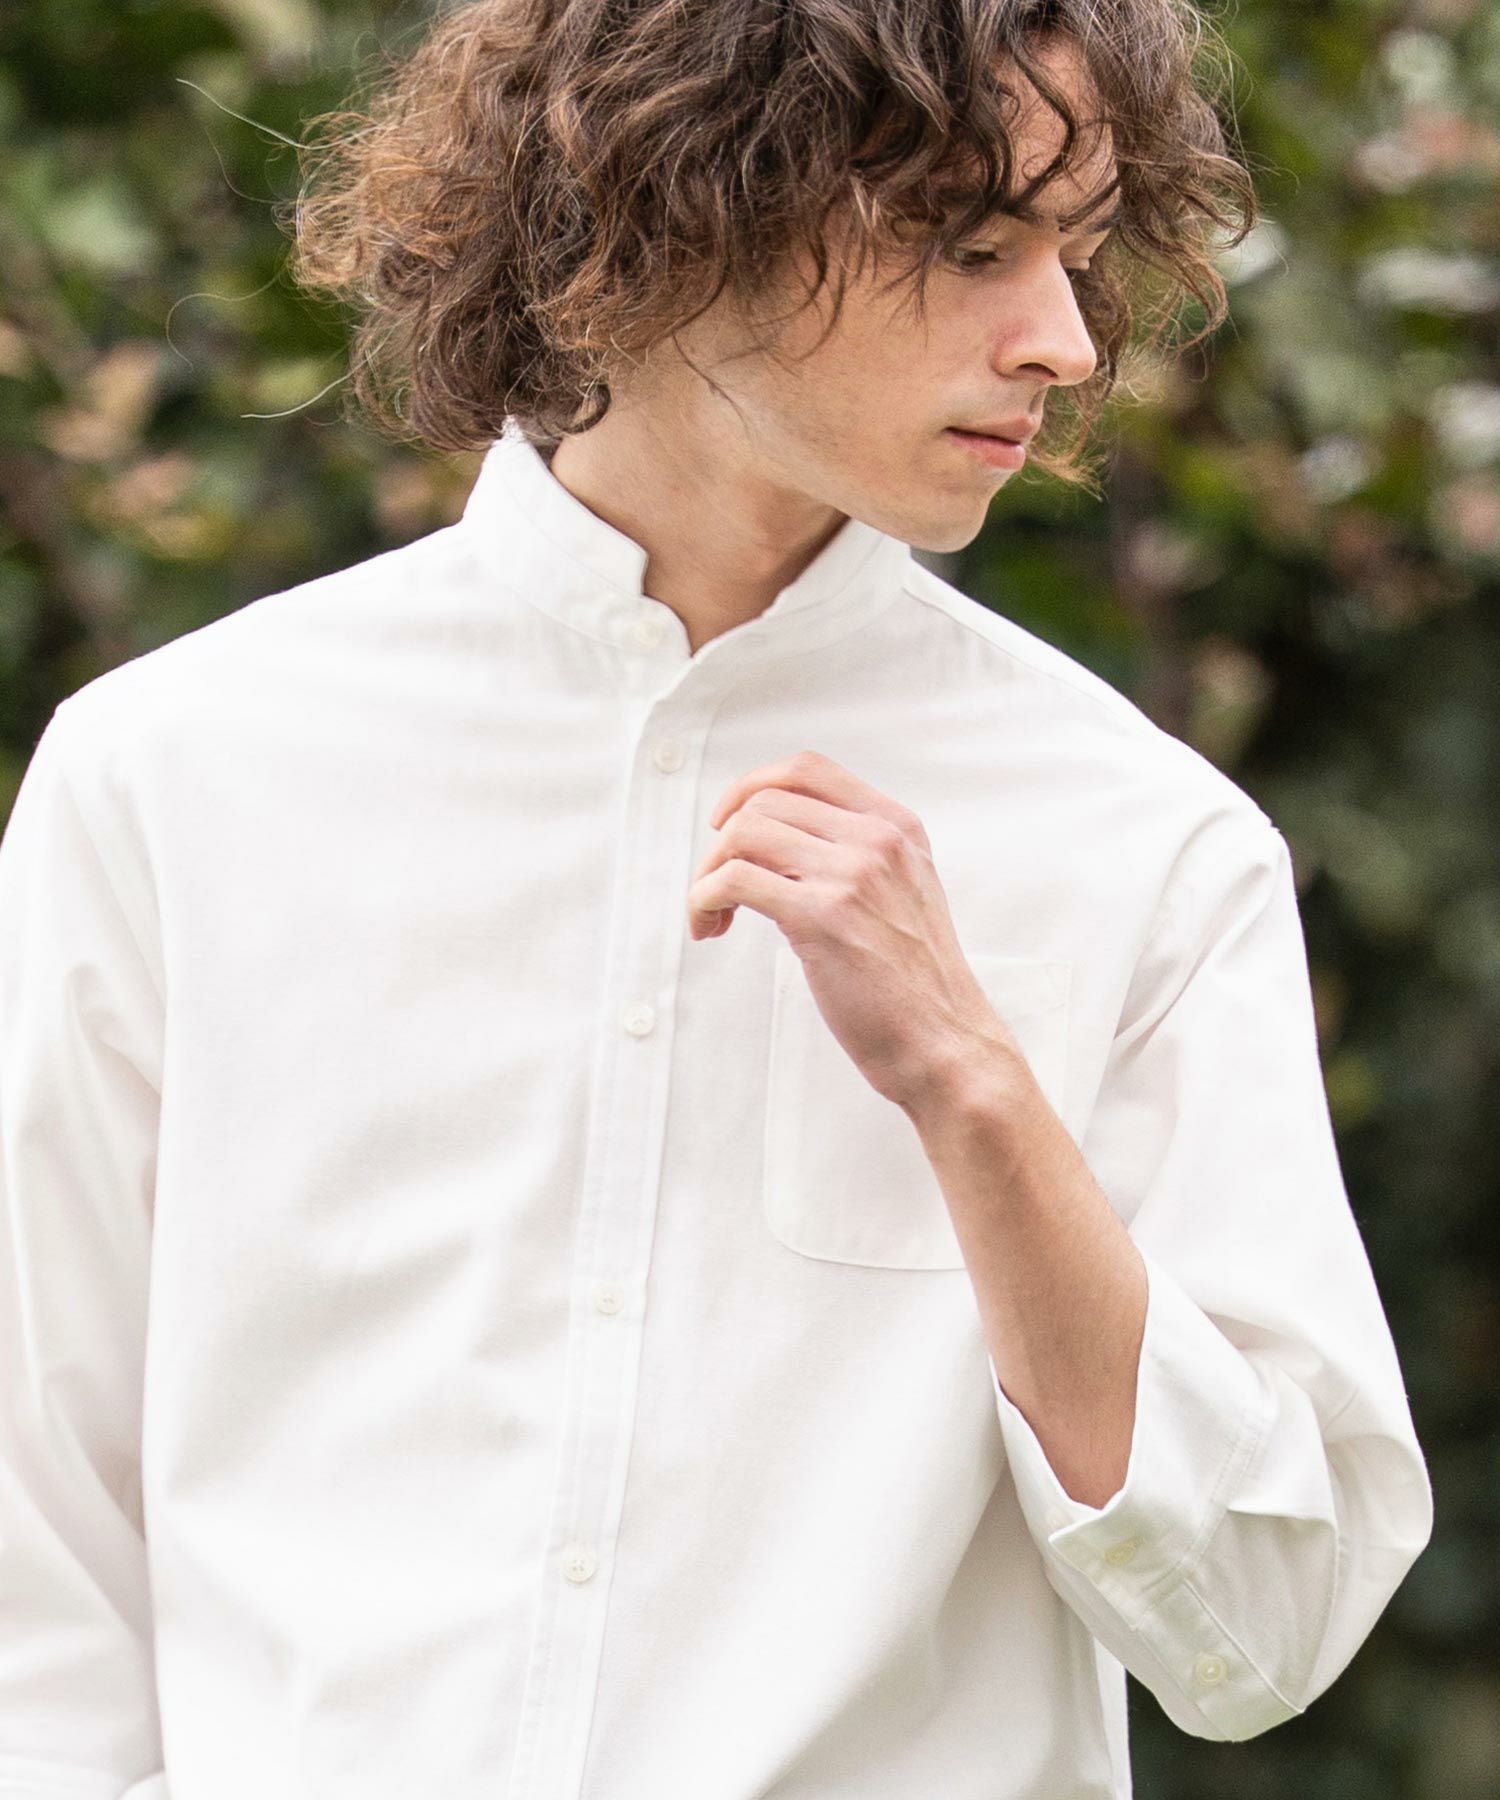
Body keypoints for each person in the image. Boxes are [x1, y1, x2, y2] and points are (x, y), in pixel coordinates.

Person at [0, 3, 1433, 1797]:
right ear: (687, 203)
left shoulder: (1142, 845)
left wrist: (977, 1093)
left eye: (1076, 251)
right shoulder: (173, 779)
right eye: (974, 245)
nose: (1065, 339)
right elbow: (35, 1542)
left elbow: (1264, 1630)